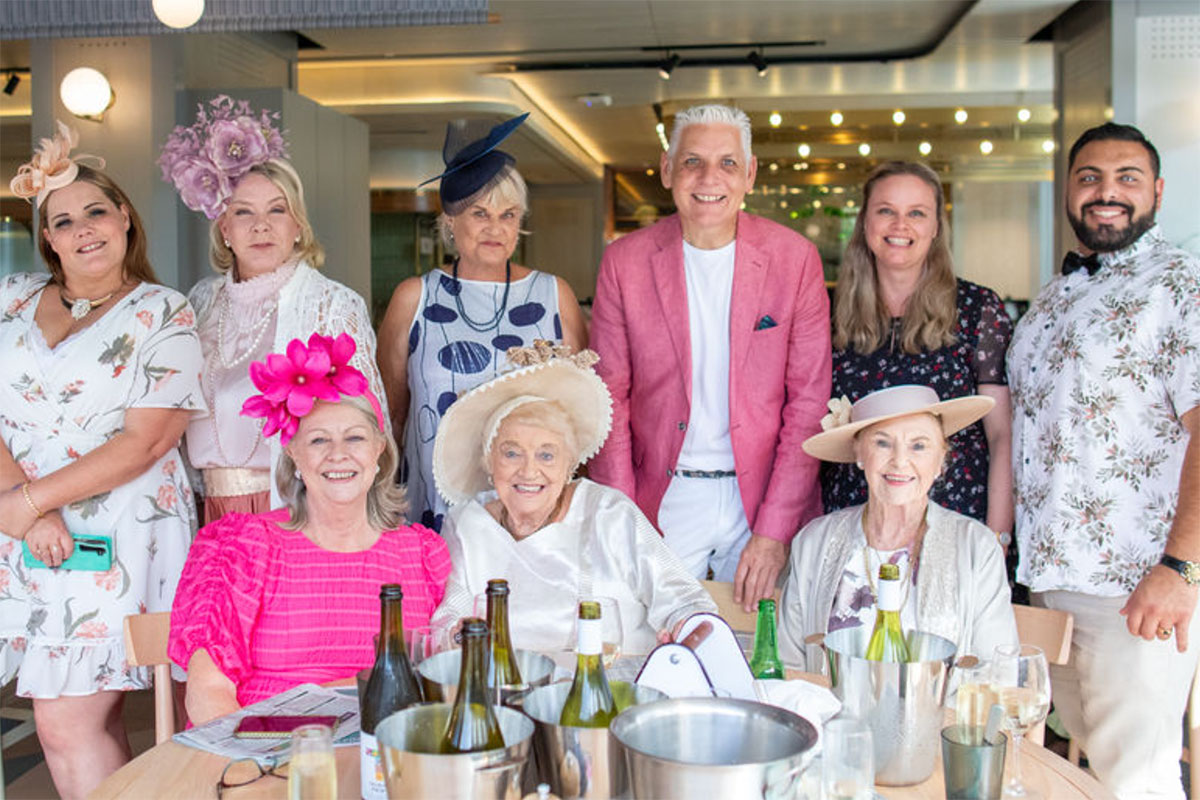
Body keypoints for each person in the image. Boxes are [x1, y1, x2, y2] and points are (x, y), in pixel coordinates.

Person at [0, 123, 204, 800]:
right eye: (64, 220)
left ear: (124, 219)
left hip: (119, 534)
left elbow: (146, 441)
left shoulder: (164, 313)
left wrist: (29, 504)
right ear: (49, 240)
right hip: (25, 531)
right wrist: (22, 509)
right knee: (68, 722)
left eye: (96, 211)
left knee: (68, 719)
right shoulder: (11, 301)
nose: (84, 229)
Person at [1008, 122, 1199, 800]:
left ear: (1158, 192)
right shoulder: (1055, 295)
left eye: (1127, 178)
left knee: (1137, 779)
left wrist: (1181, 568)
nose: (1106, 193)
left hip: (1136, 588)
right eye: (1090, 177)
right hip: (1052, 583)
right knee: (1082, 763)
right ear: (1069, 190)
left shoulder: (1181, 285)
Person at [589, 103, 830, 611]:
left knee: (762, 661)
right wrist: (626, 519)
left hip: (763, 502)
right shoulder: (624, 262)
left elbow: (808, 403)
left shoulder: (794, 259)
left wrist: (774, 530)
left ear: (750, 174)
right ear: (667, 169)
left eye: (727, 163)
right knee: (656, 652)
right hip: (665, 499)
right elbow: (607, 398)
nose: (709, 178)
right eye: (693, 161)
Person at [169, 333, 450, 724]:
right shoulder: (245, 548)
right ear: (294, 454)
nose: (339, 454)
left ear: (378, 451)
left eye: (355, 438)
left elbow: (449, 680)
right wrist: (252, 769)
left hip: (390, 754)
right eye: (318, 440)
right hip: (270, 754)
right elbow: (209, 690)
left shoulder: (423, 554)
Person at [159, 95, 387, 522]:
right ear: (224, 229)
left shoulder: (333, 306)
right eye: (243, 213)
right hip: (206, 511)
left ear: (297, 225)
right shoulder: (199, 303)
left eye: (277, 211)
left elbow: (367, 425)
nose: (261, 226)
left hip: (297, 511)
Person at [428, 341, 716, 657]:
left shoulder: (608, 512)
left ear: (570, 465)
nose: (529, 471)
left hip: (611, 688)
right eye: (511, 453)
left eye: (547, 455)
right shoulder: (466, 524)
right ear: (489, 461)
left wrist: (684, 629)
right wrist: (457, 635)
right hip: (504, 691)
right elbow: (447, 620)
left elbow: (683, 599)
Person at [377, 113, 587, 532]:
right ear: (450, 221)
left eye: (508, 215)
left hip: (529, 512)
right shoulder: (413, 297)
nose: (496, 228)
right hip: (434, 507)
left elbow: (579, 413)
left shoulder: (552, 296)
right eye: (480, 213)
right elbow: (390, 417)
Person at [823, 161, 1013, 544]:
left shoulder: (977, 309)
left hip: (955, 523)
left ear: (936, 227)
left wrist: (997, 537)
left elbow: (1001, 436)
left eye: (916, 213)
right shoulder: (826, 310)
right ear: (864, 222)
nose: (900, 225)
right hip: (852, 523)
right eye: (886, 211)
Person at [778, 385, 1017, 670]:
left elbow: (997, 670)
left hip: (938, 714)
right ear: (859, 453)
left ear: (941, 459)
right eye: (882, 443)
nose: (900, 461)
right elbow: (789, 665)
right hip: (829, 713)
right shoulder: (814, 541)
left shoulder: (976, 546)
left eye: (919, 445)